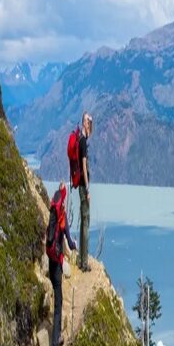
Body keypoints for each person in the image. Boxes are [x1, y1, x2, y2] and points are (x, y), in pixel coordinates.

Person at [46, 182, 77, 346]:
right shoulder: (62, 217)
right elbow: (68, 239)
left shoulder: (52, 211)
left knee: (54, 294)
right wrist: (74, 247)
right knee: (58, 303)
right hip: (57, 262)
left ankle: (53, 338)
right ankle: (54, 344)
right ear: (64, 200)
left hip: (49, 257)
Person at [78, 111, 93, 272]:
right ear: (85, 123)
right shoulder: (83, 142)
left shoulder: (82, 139)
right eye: (89, 121)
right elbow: (83, 166)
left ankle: (82, 259)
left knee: (83, 222)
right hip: (84, 187)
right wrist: (88, 189)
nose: (90, 124)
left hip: (82, 186)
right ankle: (84, 262)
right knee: (86, 223)